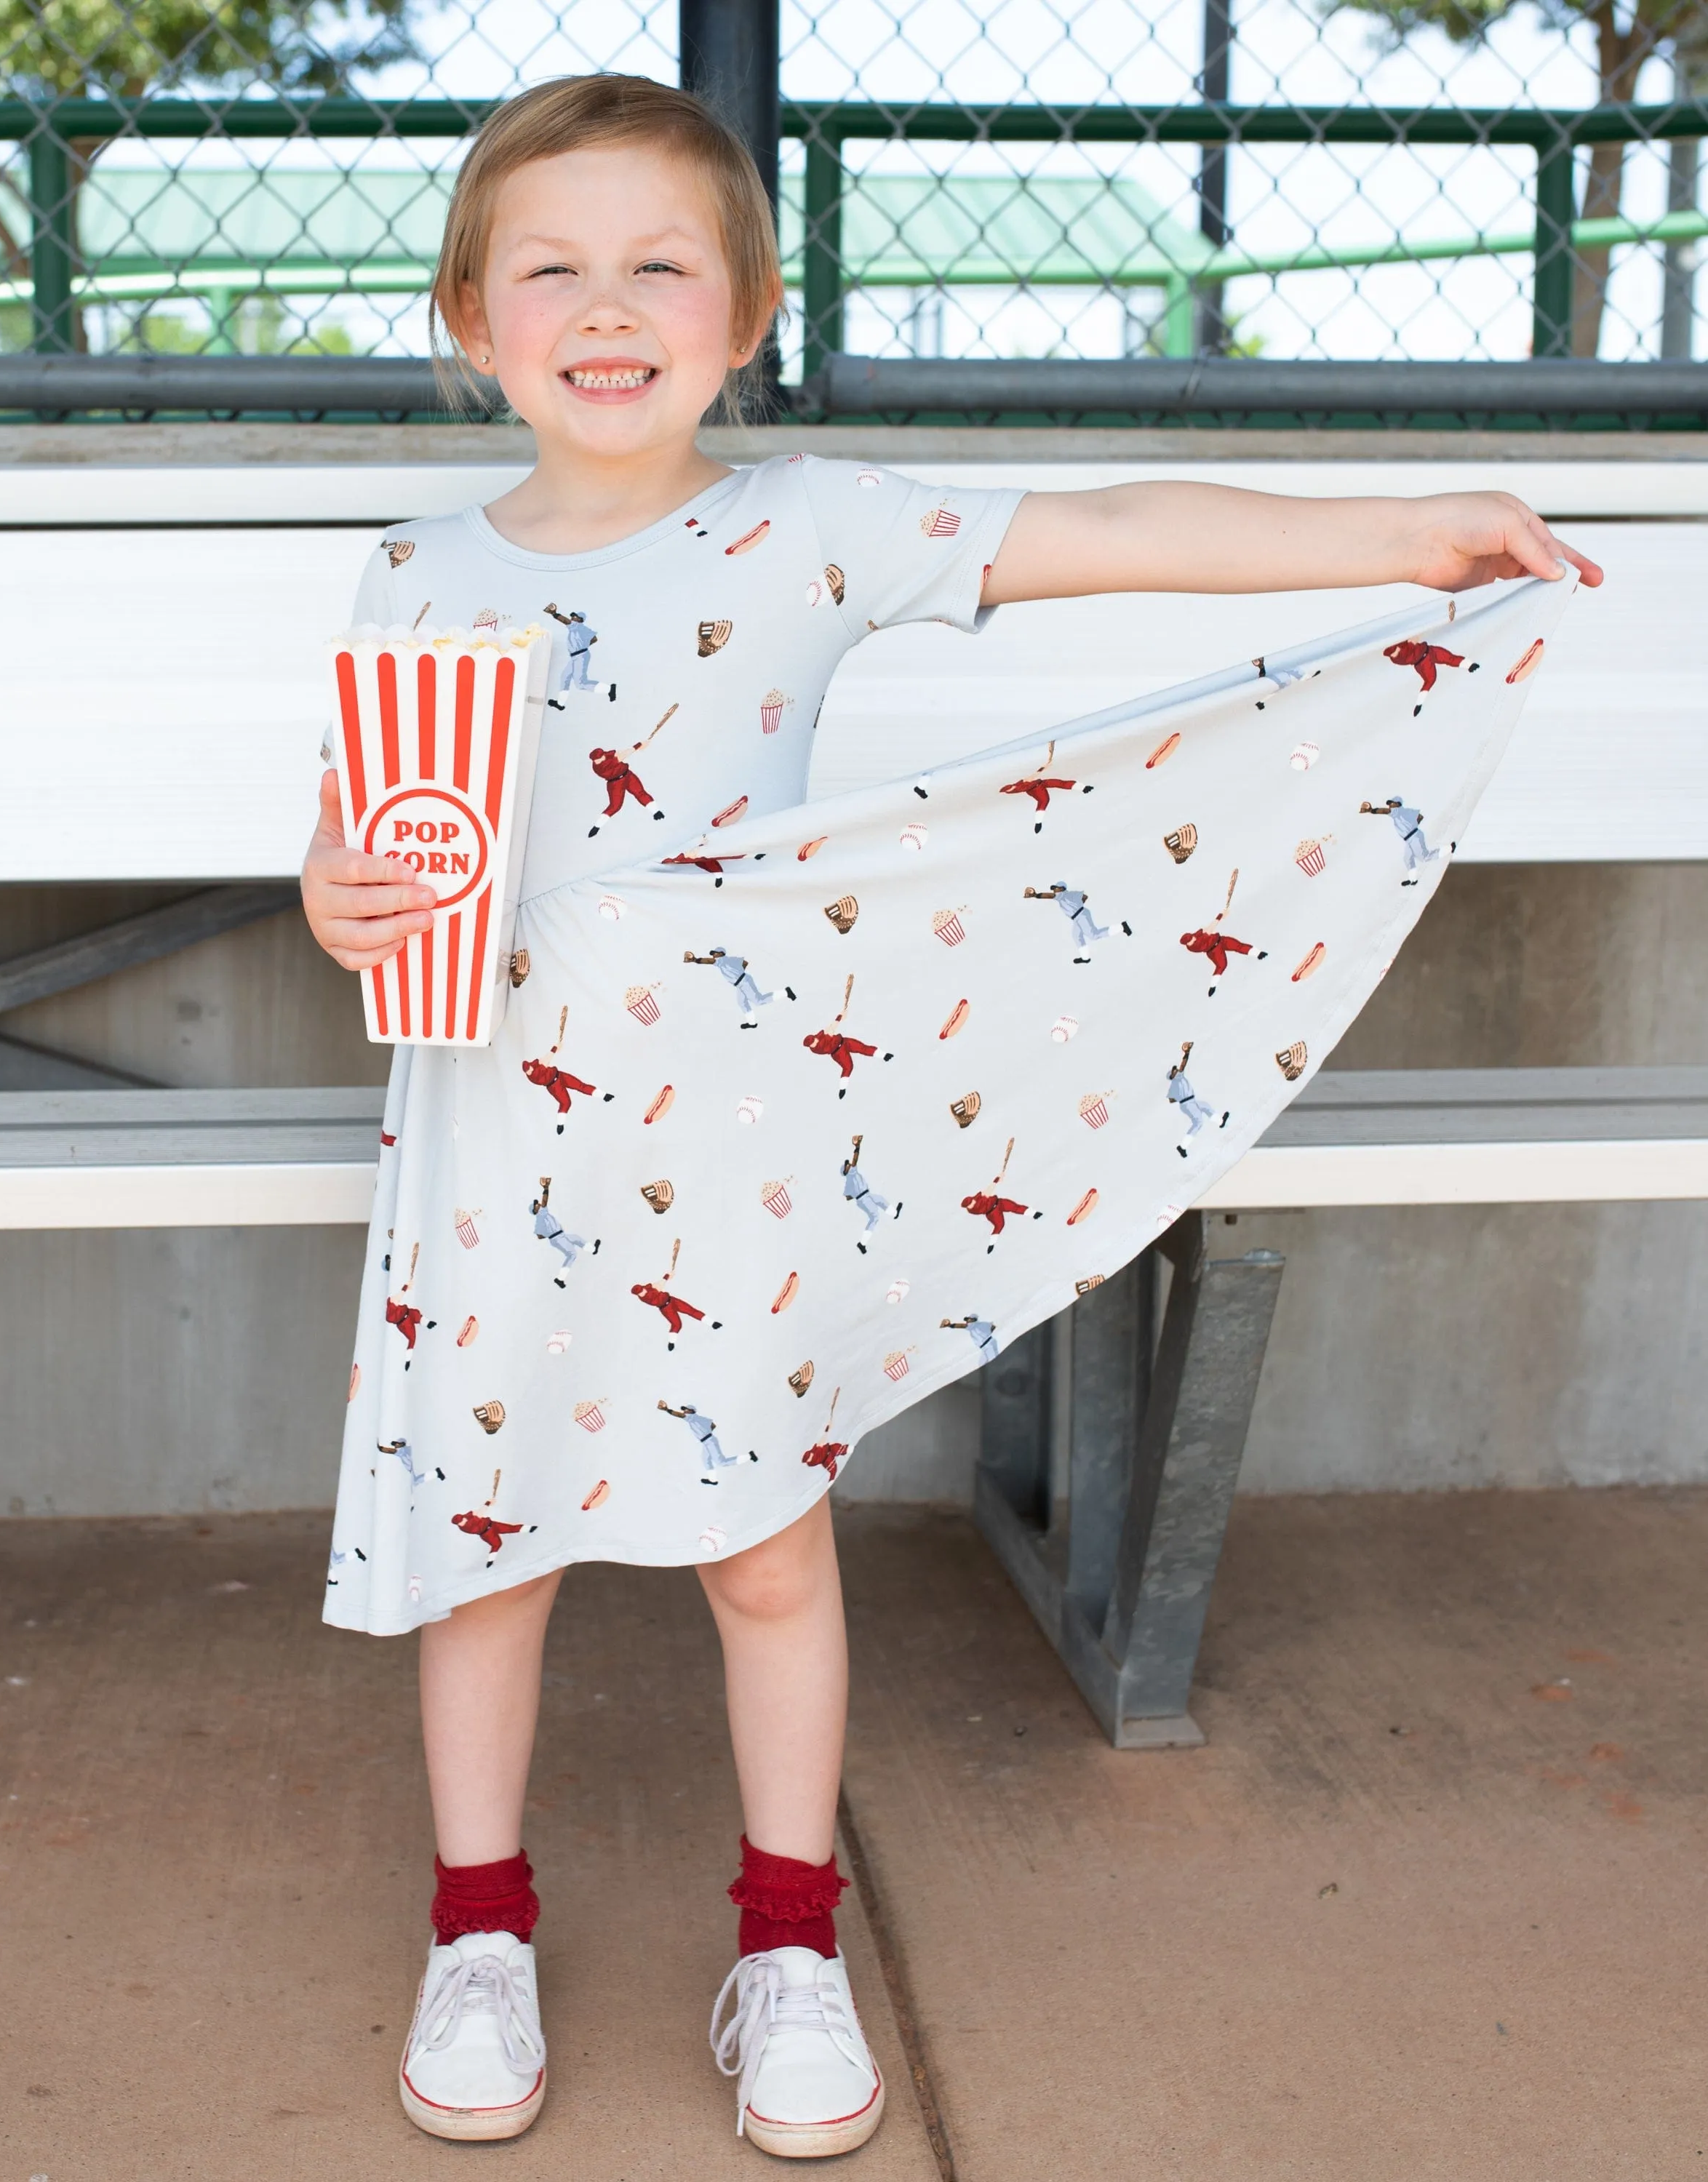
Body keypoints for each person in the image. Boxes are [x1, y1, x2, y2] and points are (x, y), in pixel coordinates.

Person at [297, 73, 1600, 2159]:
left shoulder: (808, 522)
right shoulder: (411, 565)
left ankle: (791, 1944)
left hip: (734, 1144)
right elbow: (366, 838)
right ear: (471, 320)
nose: (606, 302)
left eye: (663, 264)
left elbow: (1104, 534)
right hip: (497, 1146)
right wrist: (334, 892)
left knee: (764, 1550)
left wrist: (1401, 535)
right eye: (551, 265)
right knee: (492, 1552)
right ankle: (480, 1933)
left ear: (744, 318)